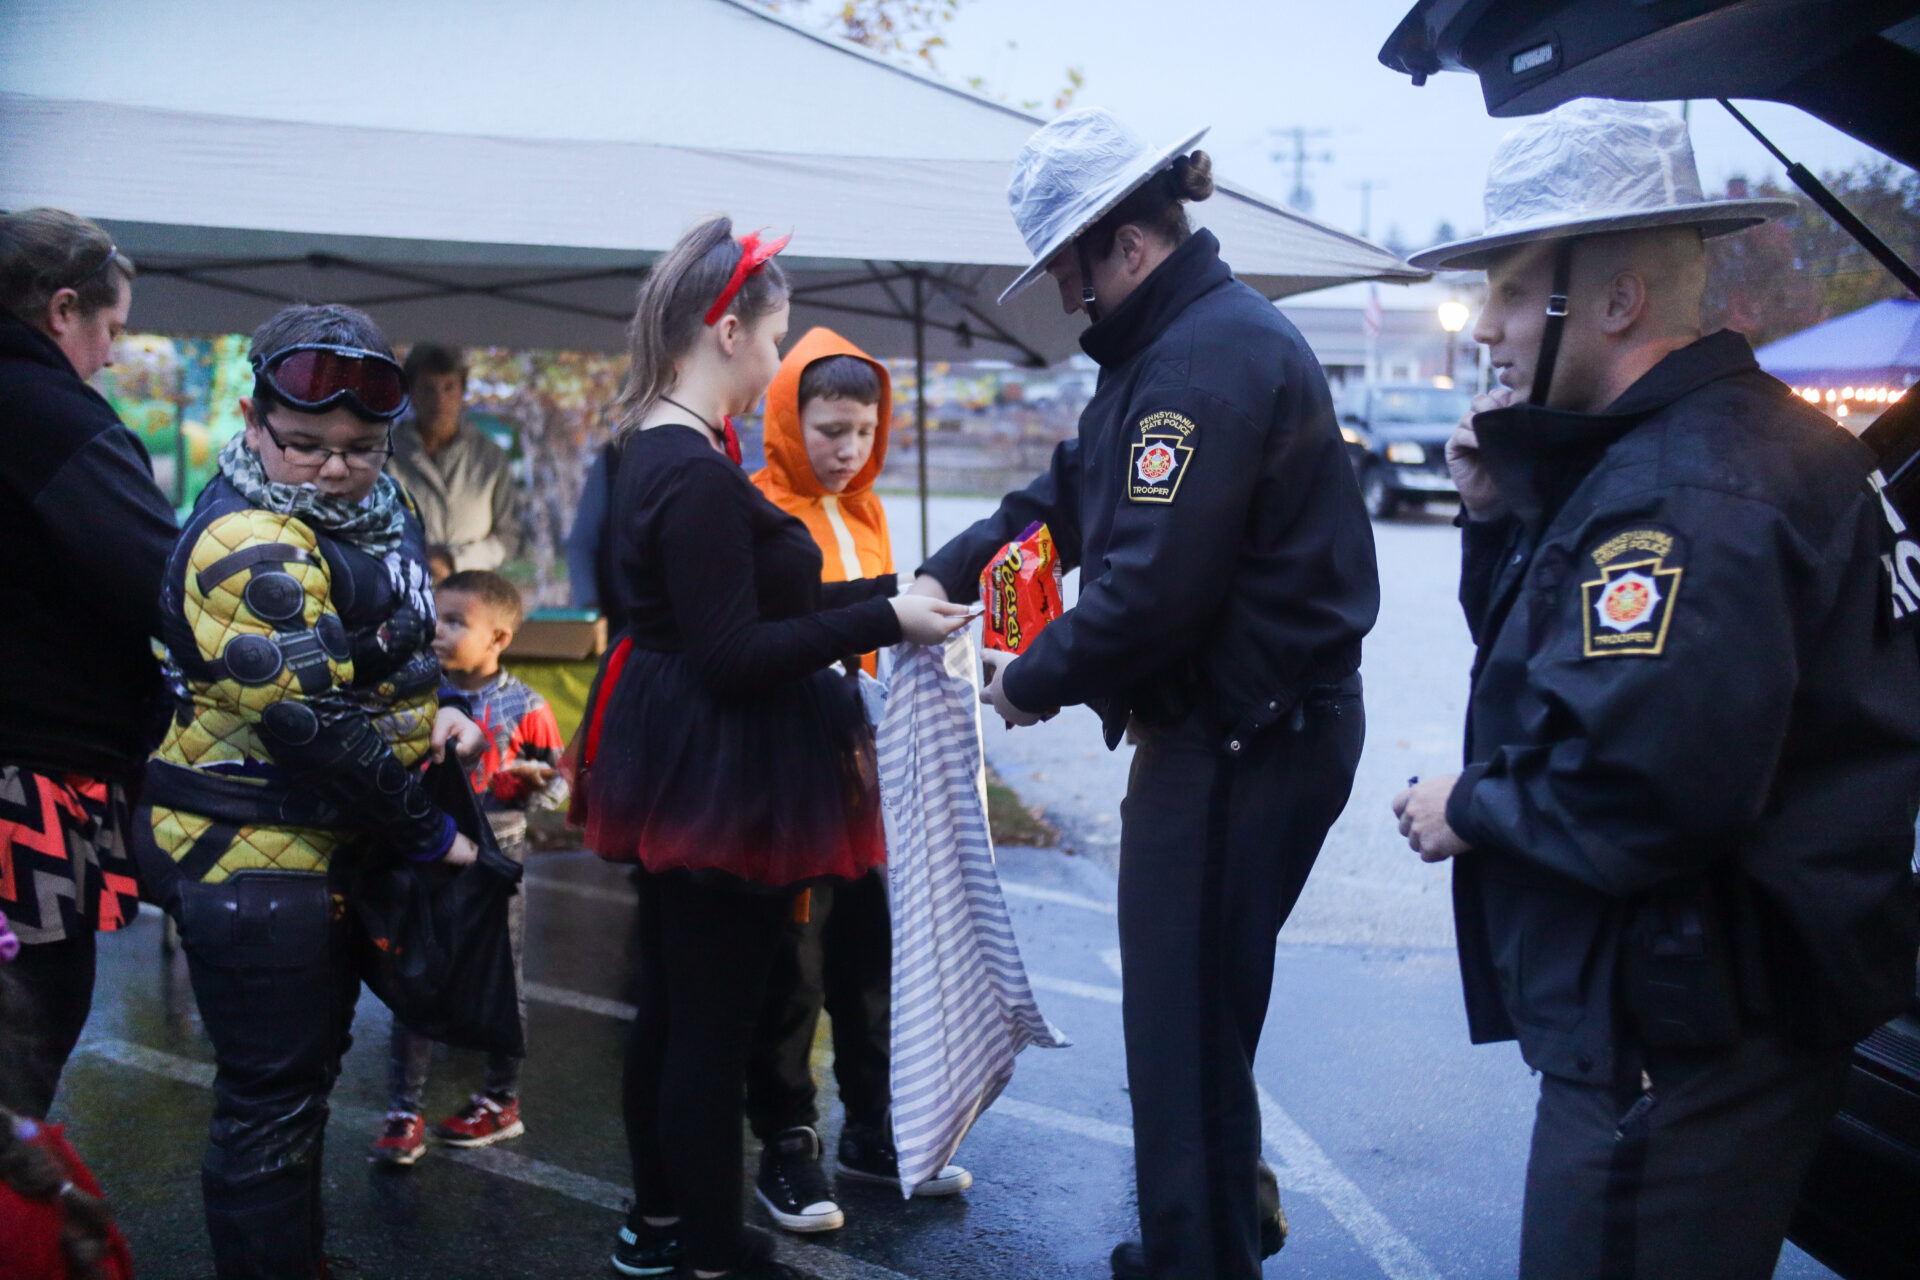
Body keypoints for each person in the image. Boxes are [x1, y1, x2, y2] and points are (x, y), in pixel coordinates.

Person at [1389, 100, 1920, 1280]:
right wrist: (1494, 519)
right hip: (1720, 1008)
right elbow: (1574, 672)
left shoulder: (1685, 488)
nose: (1485, 327)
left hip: (1677, 1023)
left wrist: (1467, 805)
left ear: (1617, 300)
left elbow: (1647, 785)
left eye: (1513, 292)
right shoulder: (1728, 448)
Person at [909, 107, 1378, 1280]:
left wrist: (1031, 680)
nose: (1067, 294)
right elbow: (1063, 501)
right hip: (1240, 732)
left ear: (1124, 243)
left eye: (1070, 266)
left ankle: (1196, 1255)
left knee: (1181, 1024)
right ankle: (1213, 1227)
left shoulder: (1200, 364)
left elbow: (1156, 591)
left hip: (1243, 738)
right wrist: (941, 573)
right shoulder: (1170, 353)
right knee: (1197, 1018)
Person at [571, 216, 970, 1280]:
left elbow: (739, 610)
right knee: (707, 1020)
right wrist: (886, 621)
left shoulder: (657, 447)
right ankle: (705, 1245)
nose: (779, 359)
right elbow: (738, 651)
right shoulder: (693, 469)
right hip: (721, 765)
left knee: (673, 1007)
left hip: (682, 755)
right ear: (731, 329)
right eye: (777, 337)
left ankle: (659, 1224)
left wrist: (889, 594)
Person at [129, 303, 485, 1279]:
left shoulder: (380, 509)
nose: (334, 466)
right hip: (248, 854)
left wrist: (445, 704)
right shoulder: (243, 539)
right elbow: (307, 721)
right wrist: (428, 832)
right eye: (306, 444)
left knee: (300, 1090)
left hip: (318, 852)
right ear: (251, 420)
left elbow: (395, 650)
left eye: (361, 446)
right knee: (271, 1099)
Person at [745, 329, 969, 1234]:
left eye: (863, 431)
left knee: (869, 961)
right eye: (830, 431)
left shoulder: (869, 509)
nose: (848, 450)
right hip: (788, 783)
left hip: (867, 777)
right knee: (791, 974)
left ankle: (873, 1132)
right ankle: (787, 1147)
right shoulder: (758, 508)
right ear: (790, 424)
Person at [0, 208, 174, 1119]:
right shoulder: (47, 412)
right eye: (110, 330)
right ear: (62, 310)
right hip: (25, 782)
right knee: (23, 1042)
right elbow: (172, 584)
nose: (110, 356)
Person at [374, 569, 566, 1165]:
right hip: (424, 852)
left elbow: (558, 791)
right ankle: (405, 1110)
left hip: (494, 855)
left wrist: (532, 783)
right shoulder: (412, 693)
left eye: (458, 622)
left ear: (500, 638)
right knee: (415, 976)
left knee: (500, 977)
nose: (439, 631)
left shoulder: (527, 706)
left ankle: (499, 1099)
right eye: (437, 616)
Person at [386, 342, 524, 572]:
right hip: (403, 583)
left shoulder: (489, 458)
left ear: (462, 391)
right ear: (411, 392)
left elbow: (508, 537)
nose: (439, 401)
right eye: (428, 389)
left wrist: (454, 561)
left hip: (471, 589)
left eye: (449, 387)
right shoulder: (386, 454)